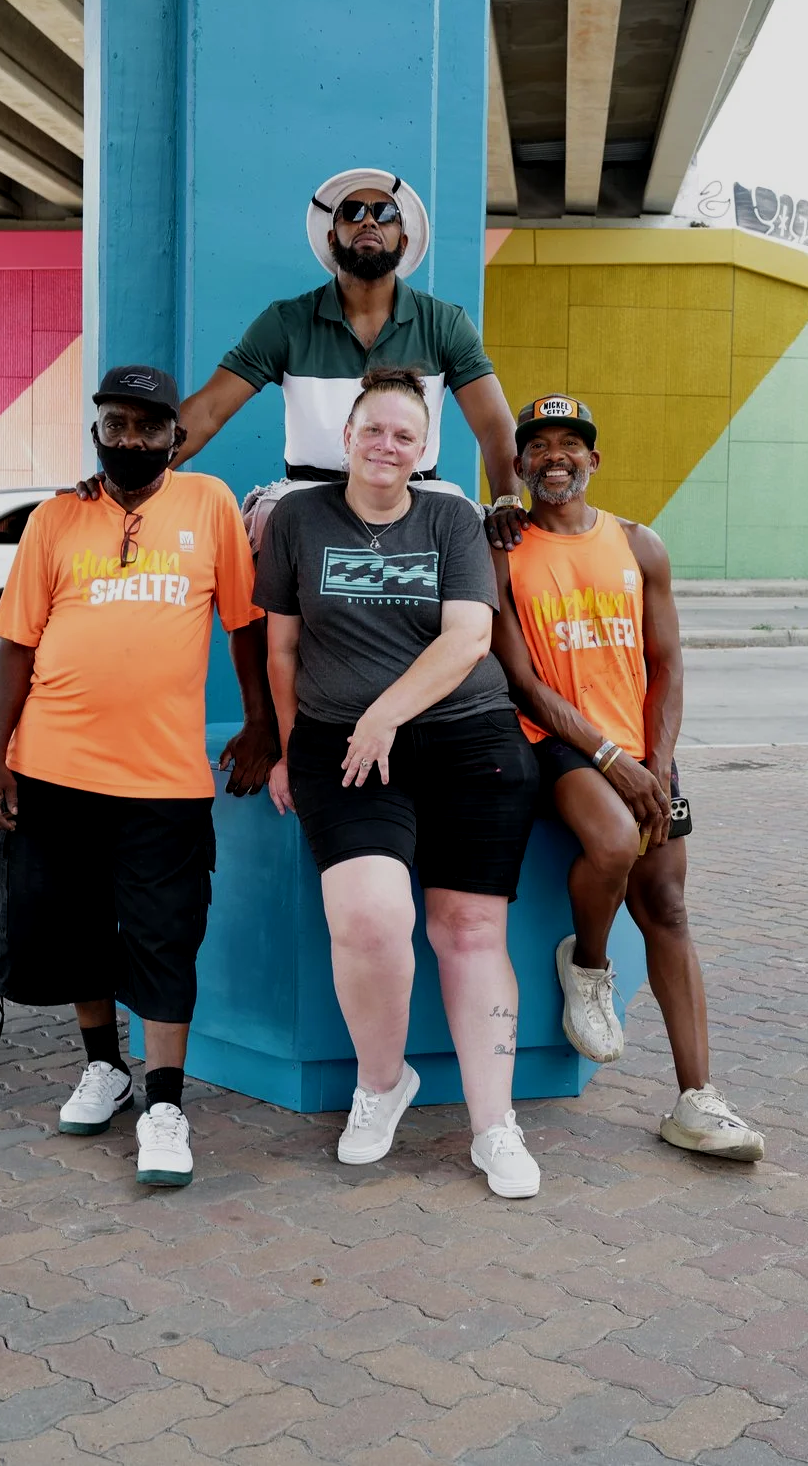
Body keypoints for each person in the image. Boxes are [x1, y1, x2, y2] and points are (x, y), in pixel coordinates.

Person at [0, 365, 277, 1190]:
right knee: (77, 928)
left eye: (149, 427)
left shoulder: (210, 503)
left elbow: (245, 624)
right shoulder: (56, 518)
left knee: (164, 934)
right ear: (97, 433)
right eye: (117, 425)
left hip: (162, 777)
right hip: (53, 766)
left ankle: (165, 1105)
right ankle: (104, 1067)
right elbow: (16, 647)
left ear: (176, 437)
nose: (132, 439)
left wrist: (261, 722)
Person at [254, 367, 544, 1197]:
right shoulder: (297, 519)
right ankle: (382, 1084)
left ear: (424, 450)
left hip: (468, 739)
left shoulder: (452, 517)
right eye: (373, 430)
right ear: (346, 436)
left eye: (405, 435)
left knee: (470, 931)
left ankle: (494, 1125)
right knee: (372, 919)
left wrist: (384, 714)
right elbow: (281, 649)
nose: (387, 445)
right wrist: (287, 747)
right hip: (341, 749)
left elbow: (468, 639)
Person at [490, 394, 766, 1162]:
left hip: (643, 753)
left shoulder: (641, 545)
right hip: (560, 743)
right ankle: (588, 965)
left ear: (594, 459)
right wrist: (611, 759)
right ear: (519, 464)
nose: (555, 457)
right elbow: (522, 683)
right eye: (538, 445)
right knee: (614, 841)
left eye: (569, 444)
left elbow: (667, 664)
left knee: (669, 907)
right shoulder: (503, 550)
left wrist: (659, 763)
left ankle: (697, 1100)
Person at [83, 168, 529, 544]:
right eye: (352, 212)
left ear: (403, 237)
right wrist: (124, 478)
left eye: (384, 213)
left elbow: (493, 424)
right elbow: (210, 410)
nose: (368, 222)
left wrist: (508, 500)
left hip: (413, 495)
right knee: (263, 530)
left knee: (476, 534)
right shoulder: (287, 322)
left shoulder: (445, 323)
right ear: (333, 236)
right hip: (310, 496)